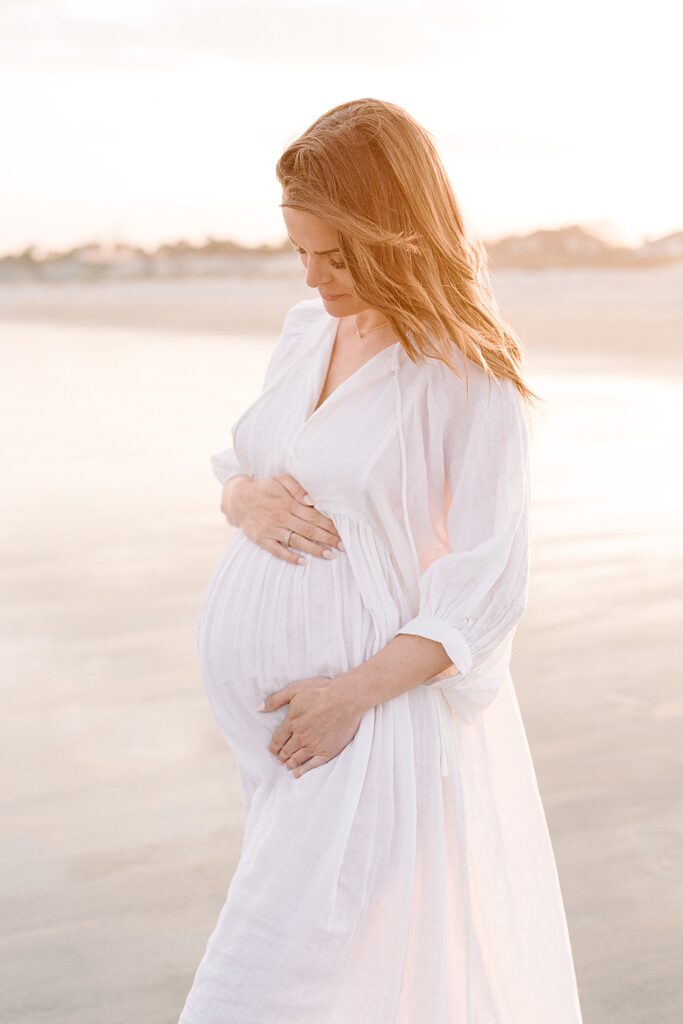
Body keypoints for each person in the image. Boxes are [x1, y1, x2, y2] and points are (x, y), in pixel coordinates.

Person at [177, 98, 584, 1024]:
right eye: (300, 253)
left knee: (248, 994)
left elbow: (484, 589)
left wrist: (348, 694)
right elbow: (244, 468)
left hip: (364, 727)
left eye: (335, 254)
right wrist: (243, 501)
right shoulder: (306, 331)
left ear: (395, 231)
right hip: (287, 748)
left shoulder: (462, 367)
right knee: (342, 986)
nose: (315, 277)